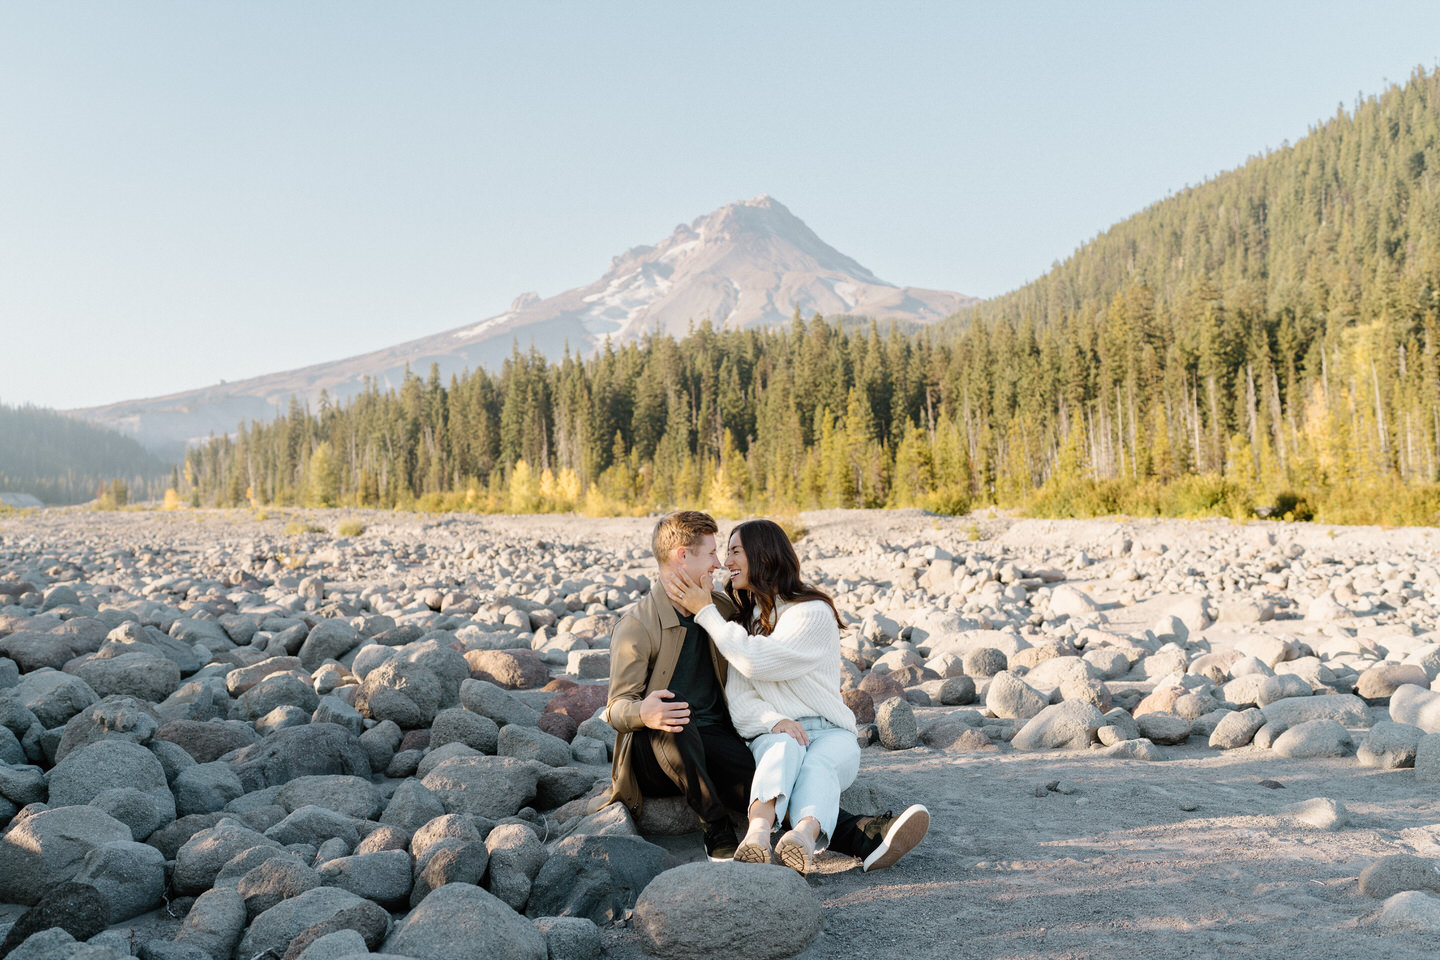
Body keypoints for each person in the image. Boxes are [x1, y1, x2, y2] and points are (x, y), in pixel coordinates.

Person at [664, 517, 930, 874]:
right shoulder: (745, 625)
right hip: (775, 731)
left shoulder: (812, 613)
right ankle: (757, 837)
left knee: (818, 764)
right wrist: (774, 721)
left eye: (735, 552)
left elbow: (758, 663)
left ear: (764, 556)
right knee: (782, 747)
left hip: (831, 732)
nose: (727, 562)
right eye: (725, 552)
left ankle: (801, 839)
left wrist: (706, 612)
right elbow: (741, 700)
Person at [602, 510, 752, 861]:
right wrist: (644, 711)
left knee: (761, 785)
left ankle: (858, 833)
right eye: (711, 553)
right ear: (682, 555)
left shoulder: (721, 610)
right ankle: (714, 825)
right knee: (672, 705)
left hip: (714, 740)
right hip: (655, 752)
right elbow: (615, 708)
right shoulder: (637, 625)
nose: (718, 564)